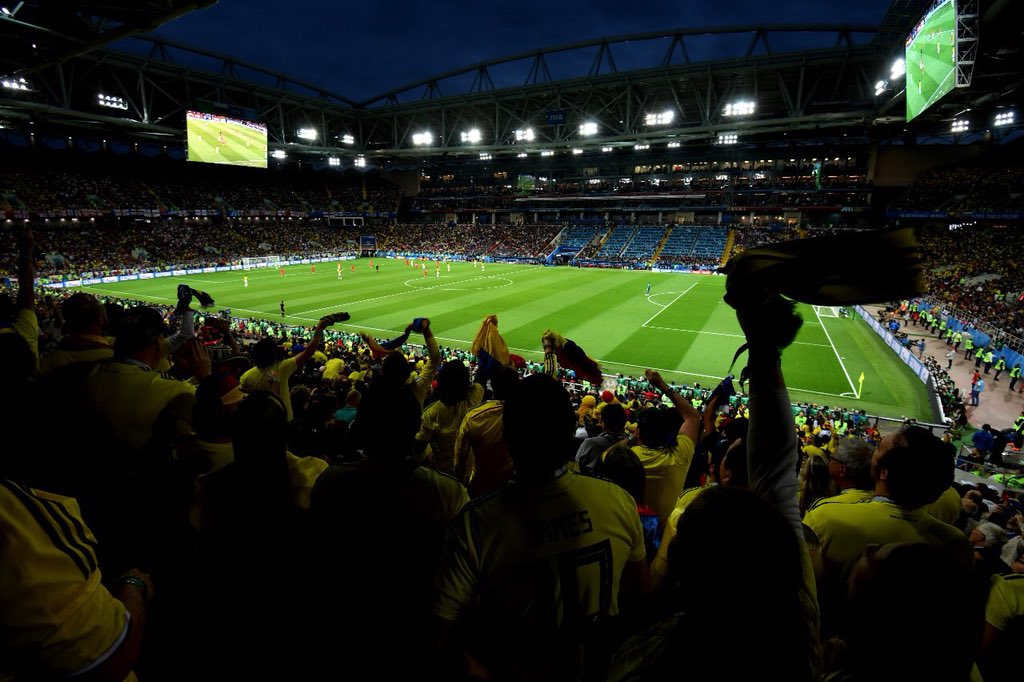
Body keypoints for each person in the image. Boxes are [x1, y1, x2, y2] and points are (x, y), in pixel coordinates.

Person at [434, 374, 649, 681]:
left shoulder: (475, 523)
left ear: (507, 437)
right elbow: (640, 597)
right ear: (568, 434)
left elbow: (441, 636)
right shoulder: (618, 500)